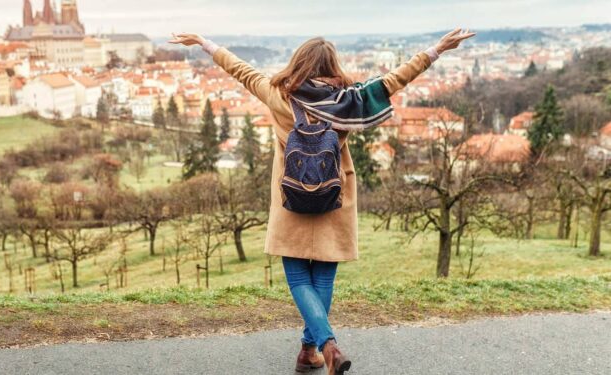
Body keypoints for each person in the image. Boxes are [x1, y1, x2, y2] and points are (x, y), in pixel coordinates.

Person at [170, 28, 475, 375]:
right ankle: (312, 350)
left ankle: (321, 348)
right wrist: (437, 49)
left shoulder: (277, 95)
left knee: (299, 279)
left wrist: (204, 44)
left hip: (290, 199)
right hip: (334, 199)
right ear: (333, 66)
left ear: (297, 63)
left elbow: (239, 69)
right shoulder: (349, 100)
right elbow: (394, 80)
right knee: (323, 281)